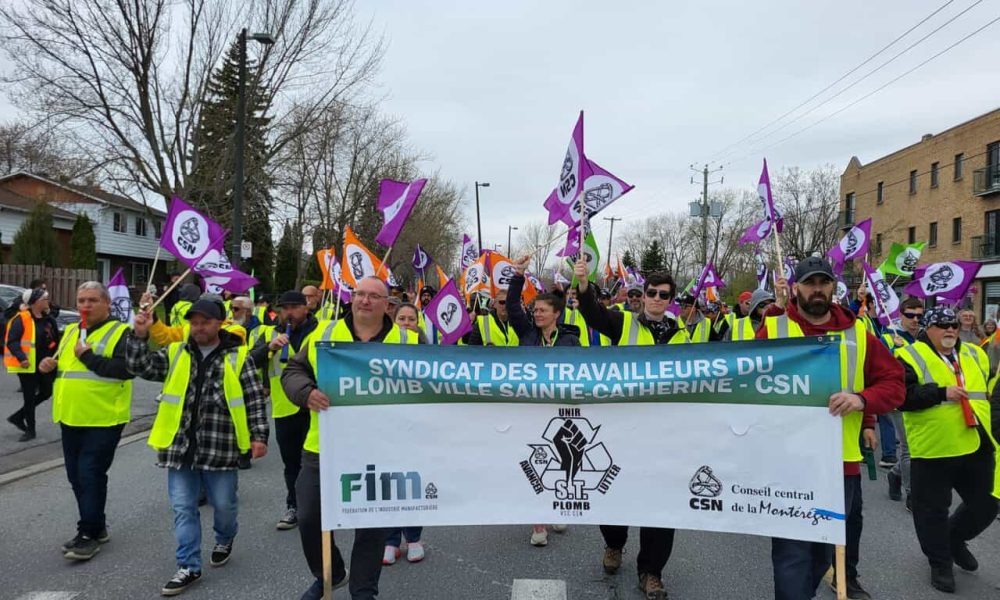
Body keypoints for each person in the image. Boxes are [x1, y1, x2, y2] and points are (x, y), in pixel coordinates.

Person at [758, 257, 904, 600]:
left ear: (833, 287)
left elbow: (895, 384)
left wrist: (862, 401)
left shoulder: (859, 334)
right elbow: (747, 380)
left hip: (840, 463)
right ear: (796, 288)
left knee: (822, 554)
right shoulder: (775, 329)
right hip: (787, 463)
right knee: (792, 551)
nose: (817, 289)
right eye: (810, 283)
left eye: (824, 282)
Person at [282, 276, 418, 600]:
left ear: (388, 304)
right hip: (324, 447)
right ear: (352, 298)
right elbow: (292, 372)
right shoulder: (326, 333)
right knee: (309, 516)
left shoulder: (408, 341)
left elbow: (437, 381)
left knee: (371, 527)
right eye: (360, 294)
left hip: (382, 450)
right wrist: (306, 392)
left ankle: (363, 591)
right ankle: (330, 574)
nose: (365, 300)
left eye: (374, 296)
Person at [128, 298, 269, 597]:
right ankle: (189, 566)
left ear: (220, 323)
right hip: (180, 448)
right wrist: (139, 335)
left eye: (205, 322)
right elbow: (140, 366)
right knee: (183, 508)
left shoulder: (238, 357)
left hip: (221, 447)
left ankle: (225, 538)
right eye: (194, 322)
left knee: (224, 506)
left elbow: (254, 399)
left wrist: (259, 436)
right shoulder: (176, 352)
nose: (198, 327)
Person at [573, 257, 687, 600]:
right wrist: (583, 284)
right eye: (651, 292)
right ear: (643, 295)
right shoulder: (623, 322)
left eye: (663, 294)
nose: (656, 299)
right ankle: (614, 543)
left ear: (671, 300)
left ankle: (651, 572)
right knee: (612, 491)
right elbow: (593, 314)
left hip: (665, 433)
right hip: (622, 428)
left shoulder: (684, 334)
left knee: (661, 504)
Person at [895, 306, 997, 594]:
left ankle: (953, 539)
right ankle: (940, 563)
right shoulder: (908, 355)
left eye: (953, 324)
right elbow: (901, 397)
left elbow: (990, 387)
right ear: (928, 329)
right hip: (934, 446)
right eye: (942, 325)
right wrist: (940, 393)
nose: (950, 329)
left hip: (976, 441)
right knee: (932, 511)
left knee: (987, 502)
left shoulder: (975, 353)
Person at [38, 282, 135, 561]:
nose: (85, 305)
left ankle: (87, 534)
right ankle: (97, 526)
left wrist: (89, 357)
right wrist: (47, 367)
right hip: (70, 415)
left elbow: (127, 370)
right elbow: (65, 371)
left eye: (92, 300)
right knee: (75, 476)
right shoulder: (70, 331)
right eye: (81, 300)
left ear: (107, 303)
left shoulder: (121, 332)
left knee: (90, 473)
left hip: (104, 417)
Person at [509, 256, 580, 547]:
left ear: (556, 313)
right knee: (535, 461)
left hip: (561, 409)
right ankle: (538, 521)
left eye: (542, 310)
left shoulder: (570, 340)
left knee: (562, 459)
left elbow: (582, 373)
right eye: (535, 310)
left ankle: (557, 507)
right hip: (530, 408)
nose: (536, 314)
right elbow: (513, 307)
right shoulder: (527, 334)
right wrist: (518, 276)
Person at [249, 291, 320, 531]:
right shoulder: (269, 333)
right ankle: (294, 506)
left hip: (315, 406)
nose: (289, 312)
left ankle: (321, 507)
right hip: (284, 408)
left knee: (317, 462)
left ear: (305, 308)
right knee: (292, 463)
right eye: (284, 308)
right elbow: (248, 362)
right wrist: (269, 348)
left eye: (294, 307)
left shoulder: (320, 330)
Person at [382, 301, 428, 565]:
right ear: (394, 320)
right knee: (388, 481)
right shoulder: (381, 347)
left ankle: (413, 538)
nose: (407, 323)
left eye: (412, 319)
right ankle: (390, 541)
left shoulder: (426, 351)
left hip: (415, 425)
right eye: (402, 319)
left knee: (412, 481)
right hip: (387, 423)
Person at [5, 288, 60, 441]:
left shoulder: (49, 319)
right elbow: (12, 341)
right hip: (28, 365)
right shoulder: (21, 319)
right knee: (29, 398)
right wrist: (22, 358)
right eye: (45, 298)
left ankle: (18, 416)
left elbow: (55, 340)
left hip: (46, 365)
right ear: (35, 302)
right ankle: (30, 430)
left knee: (46, 392)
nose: (48, 301)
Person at [885, 297, 924, 508]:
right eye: (910, 315)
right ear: (901, 315)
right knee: (909, 448)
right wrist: (893, 350)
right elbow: (879, 365)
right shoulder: (888, 335)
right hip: (897, 398)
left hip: (919, 397)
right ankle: (912, 495)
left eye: (919, 316)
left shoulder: (925, 337)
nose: (915, 319)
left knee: (918, 446)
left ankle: (895, 473)